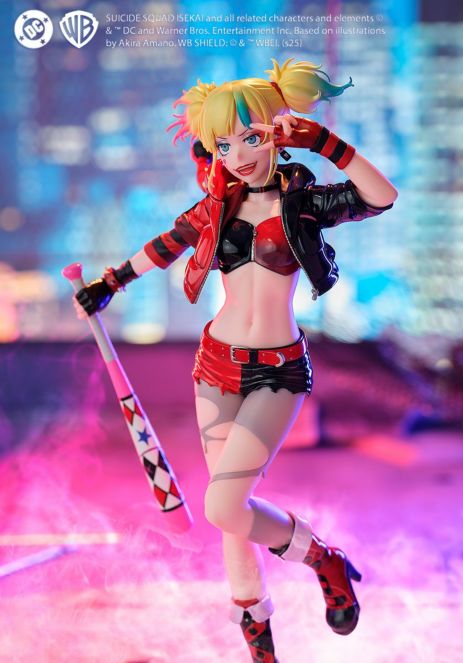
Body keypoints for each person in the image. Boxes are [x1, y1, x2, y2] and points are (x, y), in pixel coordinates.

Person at [74, 58, 397, 662]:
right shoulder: (216, 206)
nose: (239, 155)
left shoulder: (306, 201)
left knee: (223, 505)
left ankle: (321, 558)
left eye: (251, 137)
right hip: (215, 365)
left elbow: (382, 197)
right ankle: (260, 641)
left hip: (278, 370)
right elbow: (166, 245)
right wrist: (109, 283)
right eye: (224, 144)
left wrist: (327, 143)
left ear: (279, 130)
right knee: (232, 515)